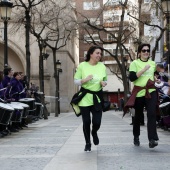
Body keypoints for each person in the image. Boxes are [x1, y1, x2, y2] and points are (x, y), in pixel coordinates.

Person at [124, 43, 159, 148]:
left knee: (152, 114)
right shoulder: (135, 63)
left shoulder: (152, 63)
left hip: (151, 91)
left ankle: (152, 139)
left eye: (148, 50)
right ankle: (136, 136)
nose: (146, 52)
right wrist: (143, 69)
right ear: (139, 53)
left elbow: (153, 75)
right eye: (144, 50)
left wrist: (155, 79)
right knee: (138, 116)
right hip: (139, 92)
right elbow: (132, 78)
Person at [73, 45, 107, 152]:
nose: (99, 55)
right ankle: (88, 143)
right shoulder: (82, 66)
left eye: (100, 54)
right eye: (97, 53)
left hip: (97, 97)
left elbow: (105, 80)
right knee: (86, 121)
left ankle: (94, 132)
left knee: (97, 122)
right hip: (85, 97)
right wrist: (84, 80)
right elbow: (76, 81)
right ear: (91, 54)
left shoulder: (102, 66)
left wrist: (103, 83)